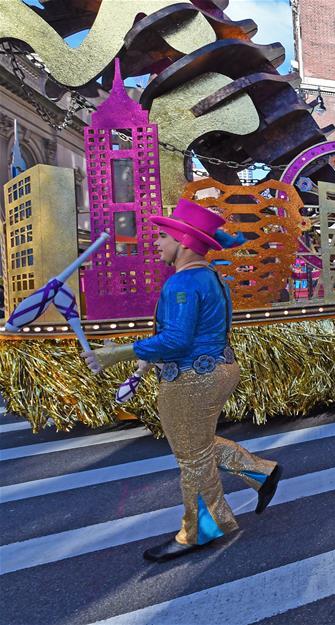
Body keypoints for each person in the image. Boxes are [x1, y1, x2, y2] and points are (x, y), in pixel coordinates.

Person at [82, 199, 282, 562]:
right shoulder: (209, 277)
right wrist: (143, 364)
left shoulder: (183, 283)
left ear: (185, 243)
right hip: (213, 370)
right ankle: (260, 472)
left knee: (191, 457)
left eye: (162, 236)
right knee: (198, 448)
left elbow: (176, 340)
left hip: (193, 378)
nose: (156, 243)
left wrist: (116, 354)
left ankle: (199, 531)